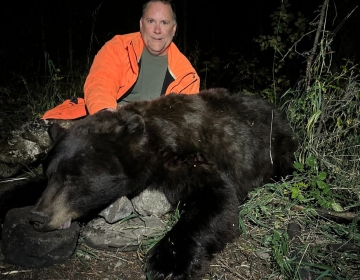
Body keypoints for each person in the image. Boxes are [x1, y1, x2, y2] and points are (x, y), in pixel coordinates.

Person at [42, 0, 200, 120]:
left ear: (174, 29)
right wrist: (105, 113)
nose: (157, 30)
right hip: (107, 120)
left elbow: (182, 121)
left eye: (164, 23)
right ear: (141, 24)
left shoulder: (187, 77)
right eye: (151, 21)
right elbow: (100, 82)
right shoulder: (119, 48)